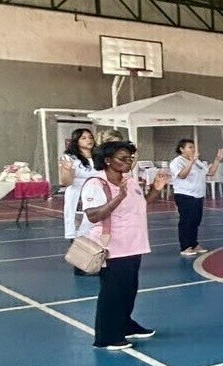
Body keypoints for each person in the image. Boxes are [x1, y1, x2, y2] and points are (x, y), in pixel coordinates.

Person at [79, 141, 170, 349]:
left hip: (134, 244)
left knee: (129, 289)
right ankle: (106, 336)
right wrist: (118, 197)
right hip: (112, 246)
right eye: (122, 158)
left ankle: (125, 324)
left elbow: (141, 204)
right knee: (112, 293)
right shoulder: (96, 183)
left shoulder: (129, 181)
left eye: (130, 158)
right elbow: (93, 215)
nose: (128, 162)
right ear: (108, 160)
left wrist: (156, 189)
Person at [169, 139, 223, 257]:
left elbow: (210, 172)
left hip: (198, 194)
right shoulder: (177, 162)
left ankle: (194, 243)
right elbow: (182, 175)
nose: (193, 149)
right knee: (186, 221)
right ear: (181, 149)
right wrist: (191, 162)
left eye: (193, 147)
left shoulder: (197, 162)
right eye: (190, 147)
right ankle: (185, 246)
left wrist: (217, 160)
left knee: (195, 221)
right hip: (185, 195)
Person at [58, 128, 98, 270]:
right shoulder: (70, 158)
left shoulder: (99, 156)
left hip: (98, 196)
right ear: (76, 141)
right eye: (84, 138)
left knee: (97, 230)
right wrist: (67, 170)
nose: (89, 140)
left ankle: (96, 263)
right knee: (79, 230)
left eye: (90, 137)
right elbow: (66, 182)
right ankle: (80, 266)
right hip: (79, 197)